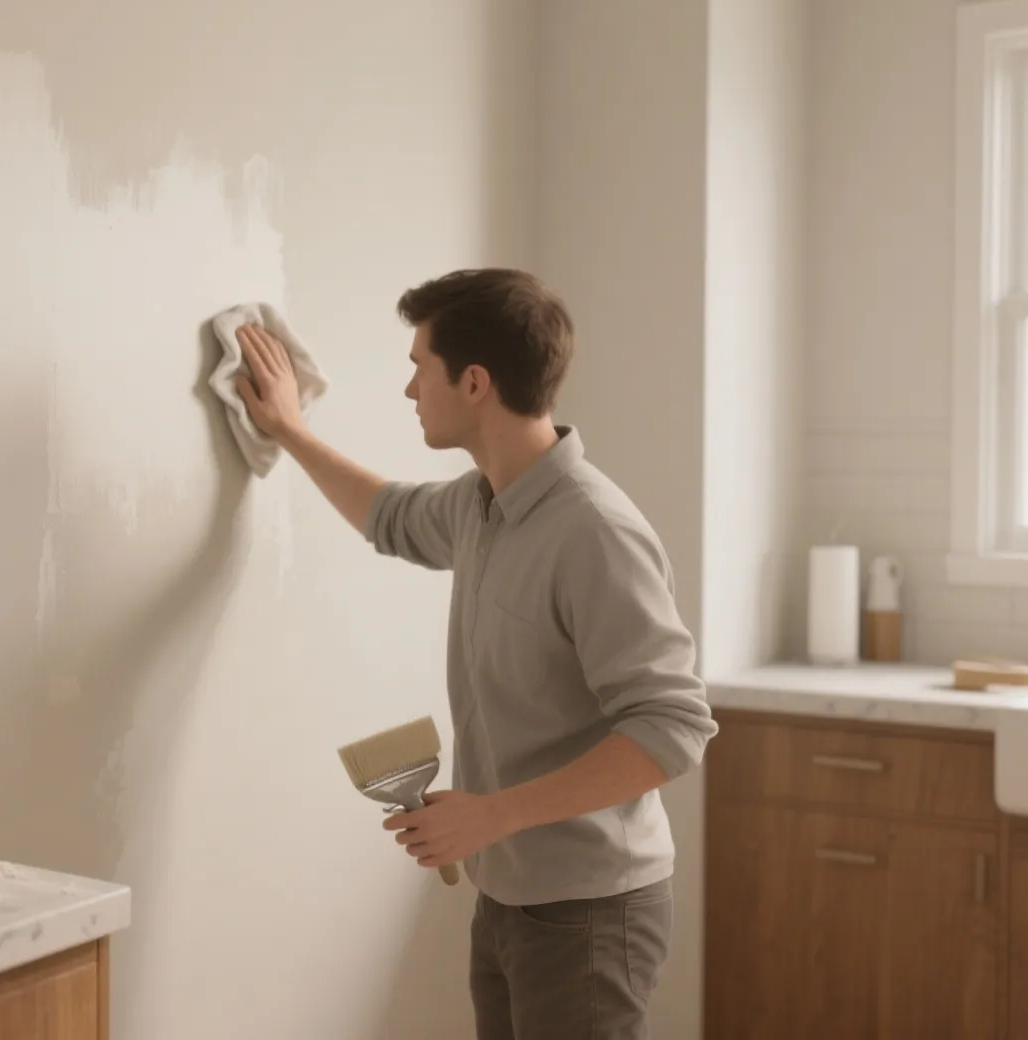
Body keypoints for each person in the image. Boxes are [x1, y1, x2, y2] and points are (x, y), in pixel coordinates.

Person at [236, 268, 717, 1040]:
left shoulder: (594, 531)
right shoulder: (480, 504)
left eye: (418, 367)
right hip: (507, 899)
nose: (409, 390)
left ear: (474, 382)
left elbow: (673, 729)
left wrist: (492, 816)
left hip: (590, 910)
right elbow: (387, 515)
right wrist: (289, 430)